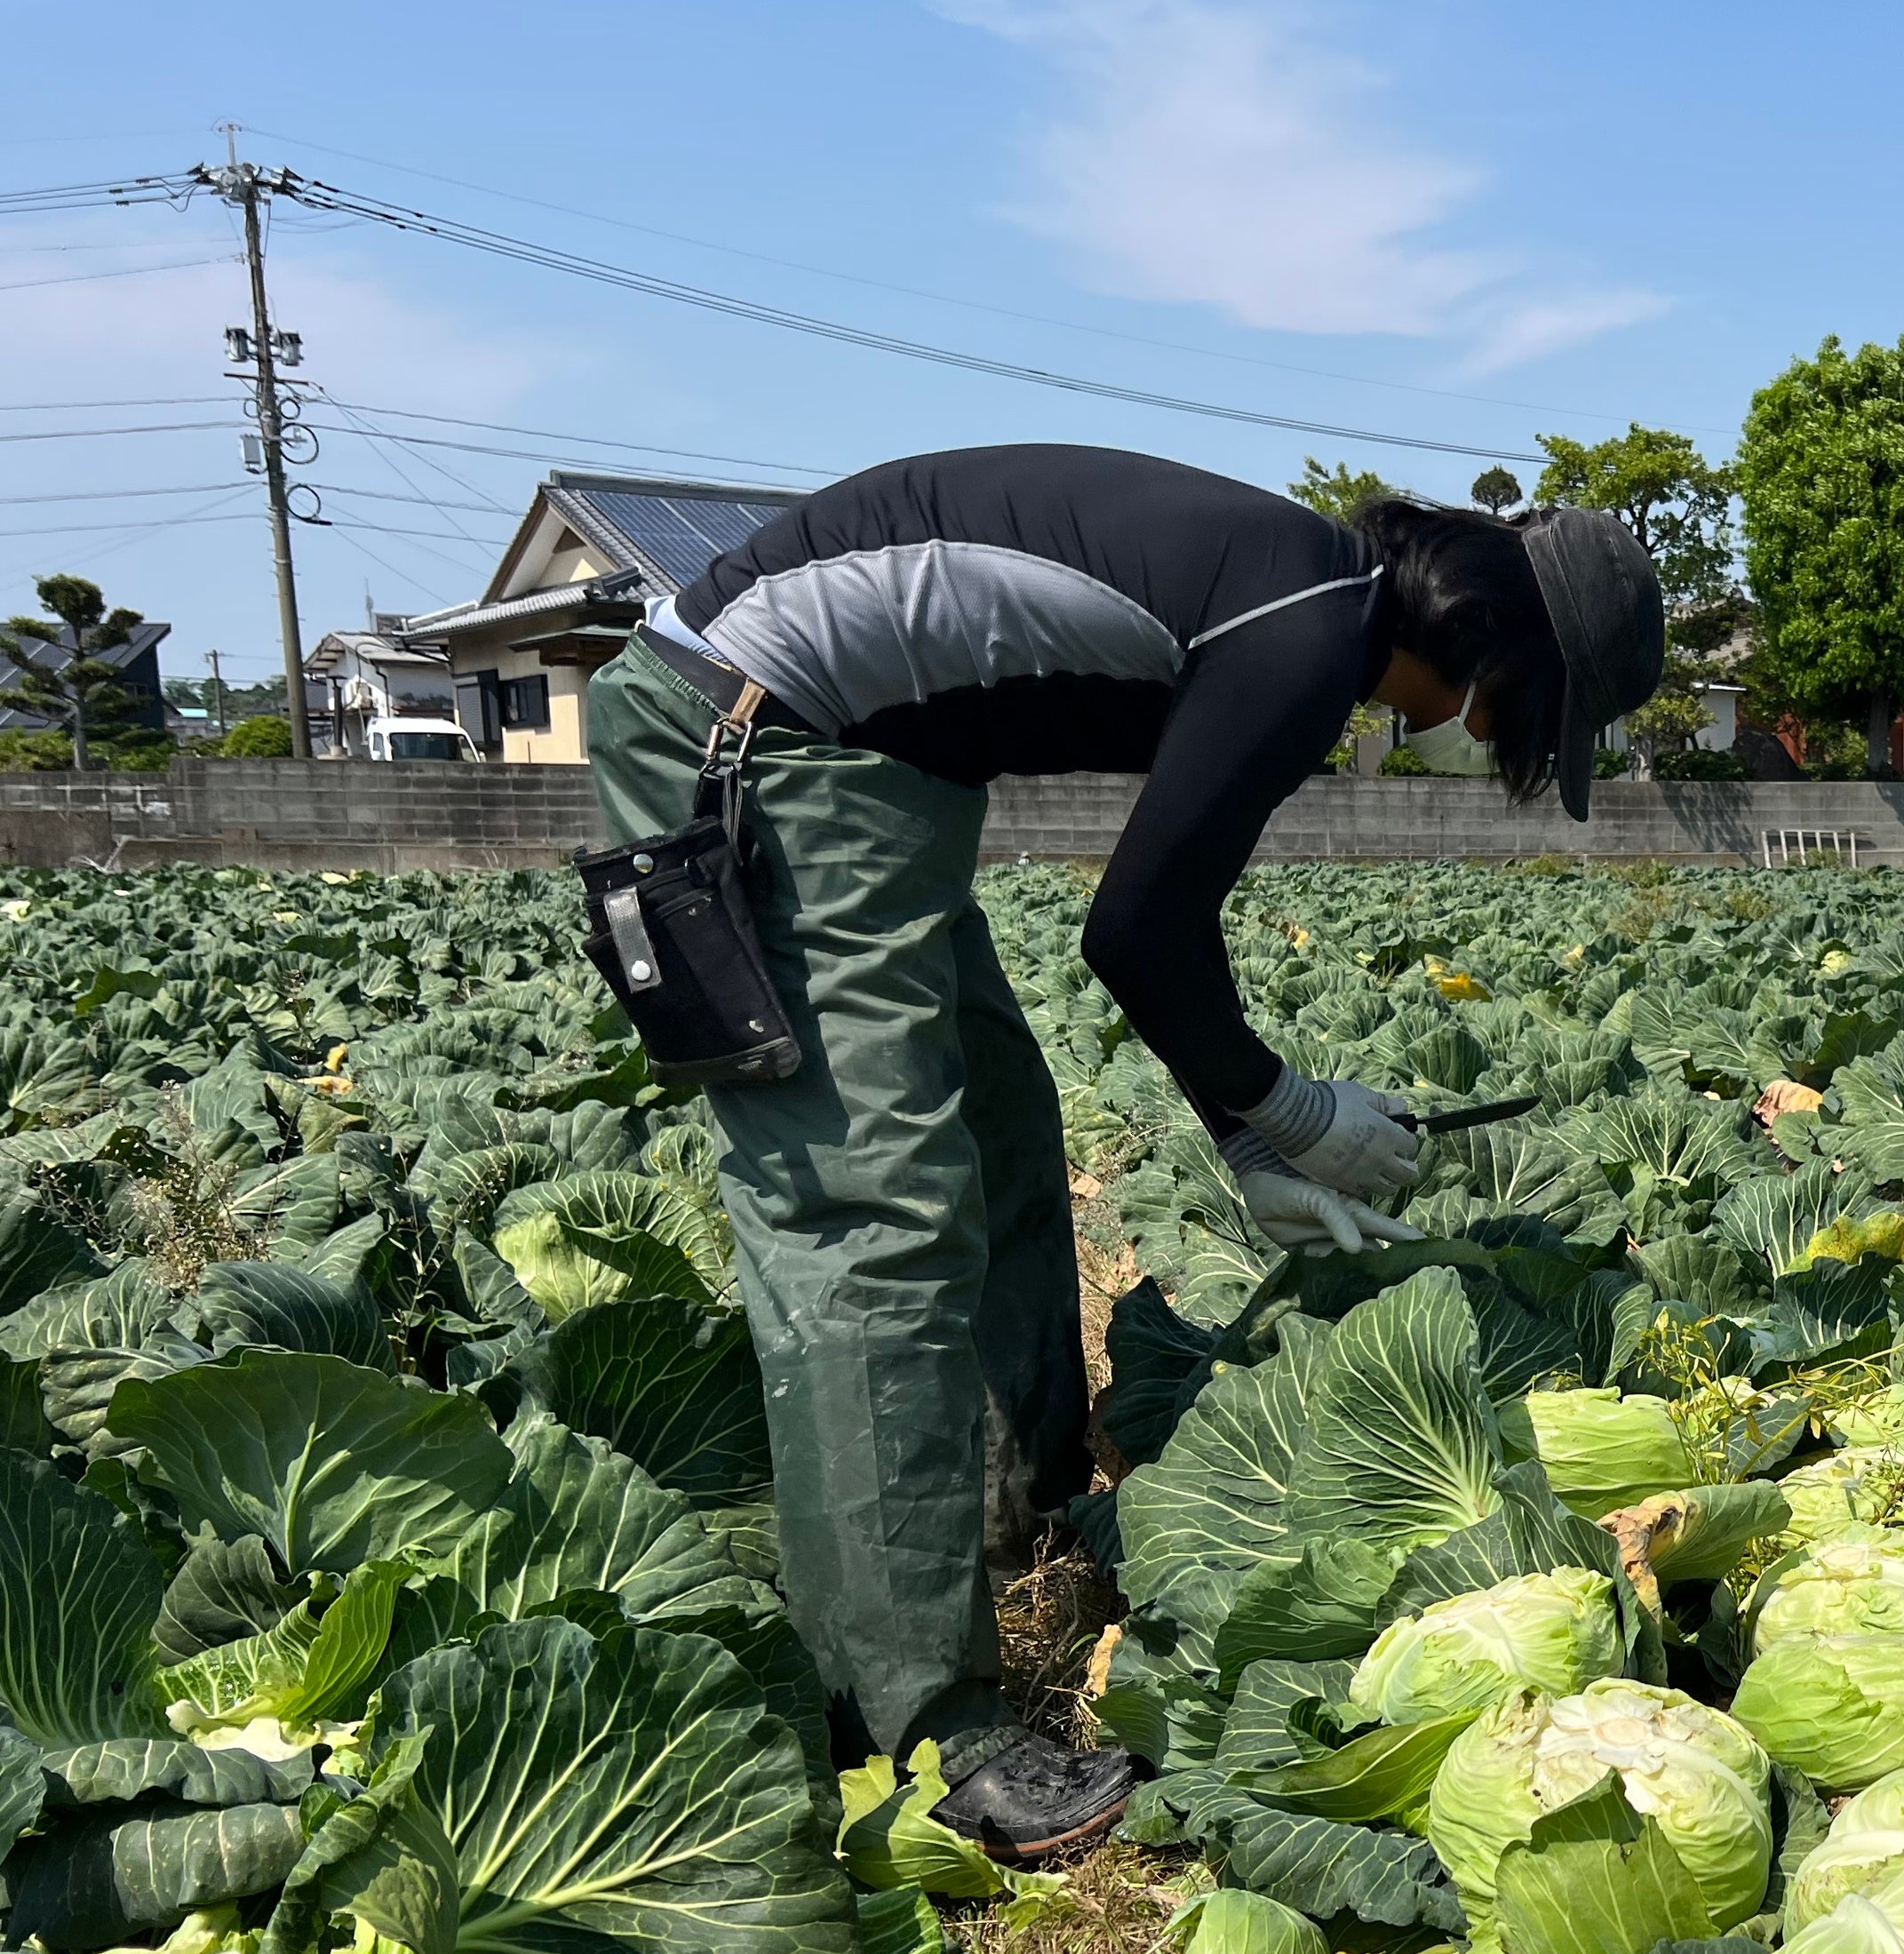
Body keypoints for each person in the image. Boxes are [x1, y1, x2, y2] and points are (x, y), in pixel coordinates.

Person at [586, 447, 1664, 1858]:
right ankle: (922, 1719)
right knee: (875, 1215)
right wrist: (1286, 1112)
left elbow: (1152, 919)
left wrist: (1246, 1130)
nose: (1475, 733)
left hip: (868, 759)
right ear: (1483, 643)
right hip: (759, 736)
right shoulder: (1307, 635)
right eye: (1512, 713)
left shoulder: (1307, 597)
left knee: (1002, 1132)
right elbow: (1137, 928)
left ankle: (1008, 1504)